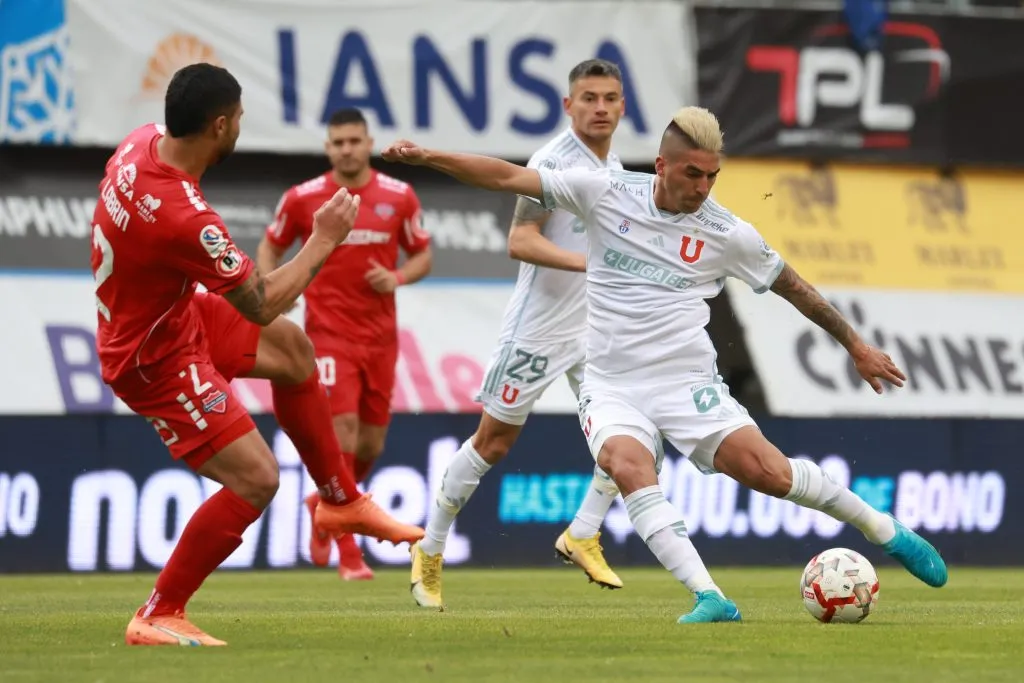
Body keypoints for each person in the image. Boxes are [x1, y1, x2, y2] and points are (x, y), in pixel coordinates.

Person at [381, 106, 948, 623]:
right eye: (692, 174)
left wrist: (854, 344)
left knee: (770, 475)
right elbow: (507, 176)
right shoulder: (605, 192)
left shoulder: (728, 233)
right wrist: (430, 156)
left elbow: (793, 287)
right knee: (628, 466)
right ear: (662, 166)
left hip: (687, 382)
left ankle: (884, 528)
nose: (702, 188)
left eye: (712, 177)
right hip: (611, 385)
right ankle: (711, 598)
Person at [90, 64, 424, 647]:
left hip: (173, 316)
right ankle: (159, 612)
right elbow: (261, 303)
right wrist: (323, 238)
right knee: (257, 479)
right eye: (240, 118)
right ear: (219, 126)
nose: (242, 125)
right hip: (152, 357)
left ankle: (340, 501)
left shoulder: (137, 143)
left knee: (294, 352)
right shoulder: (184, 216)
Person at [408, 59, 630, 609]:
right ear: (568, 105)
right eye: (589, 98)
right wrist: (589, 265)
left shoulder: (618, 165)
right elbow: (520, 240)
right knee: (493, 443)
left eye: (609, 98)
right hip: (538, 329)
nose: (599, 107)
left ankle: (582, 533)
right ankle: (430, 547)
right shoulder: (551, 162)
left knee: (629, 436)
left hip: (595, 328)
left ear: (622, 106)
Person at [257, 108, 432, 581]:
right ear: (328, 148)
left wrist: (395, 276)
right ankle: (350, 556)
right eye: (339, 142)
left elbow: (423, 256)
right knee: (345, 434)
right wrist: (273, 289)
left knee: (371, 442)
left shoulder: (399, 195)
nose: (347, 149)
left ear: (369, 142)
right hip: (328, 335)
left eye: (355, 140)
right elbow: (272, 244)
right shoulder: (303, 198)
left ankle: (326, 500)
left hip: (380, 339)